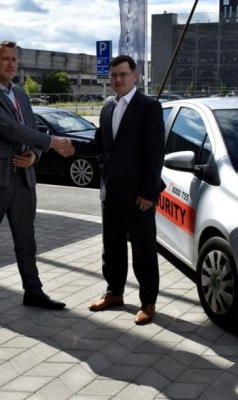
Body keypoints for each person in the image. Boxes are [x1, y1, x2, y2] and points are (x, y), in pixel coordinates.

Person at [0, 40, 73, 324]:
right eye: (5, 59)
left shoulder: (21, 95)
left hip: (24, 177)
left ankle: (33, 292)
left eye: (14, 59)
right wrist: (53, 142)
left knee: (26, 240)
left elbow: (32, 130)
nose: (11, 64)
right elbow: (11, 128)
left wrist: (35, 156)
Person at [72, 55, 165, 325]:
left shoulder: (149, 107)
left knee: (143, 249)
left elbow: (155, 154)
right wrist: (68, 146)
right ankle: (114, 292)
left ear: (135, 76)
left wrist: (148, 193)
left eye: (123, 74)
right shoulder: (107, 108)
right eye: (113, 75)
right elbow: (99, 145)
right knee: (111, 246)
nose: (118, 80)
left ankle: (148, 302)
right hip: (110, 191)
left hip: (138, 195)